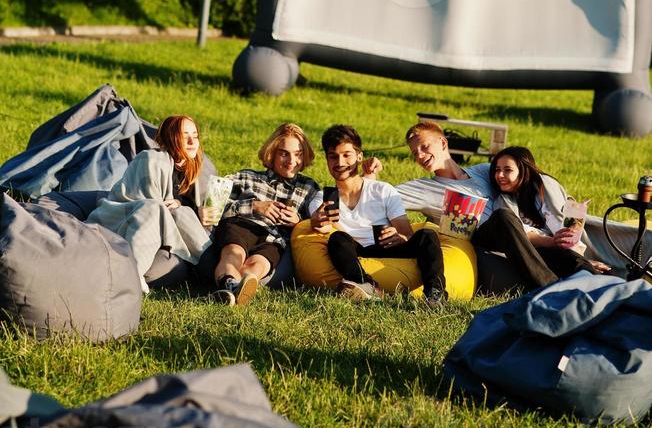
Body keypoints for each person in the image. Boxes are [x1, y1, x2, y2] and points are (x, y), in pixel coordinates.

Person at [399, 123, 607, 291]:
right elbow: (382, 195)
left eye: (424, 147)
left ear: (443, 142)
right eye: (414, 153)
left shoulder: (482, 171)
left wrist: (573, 223)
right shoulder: (423, 187)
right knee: (503, 217)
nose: (419, 156)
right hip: (485, 236)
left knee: (572, 260)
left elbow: (522, 174)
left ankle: (599, 285)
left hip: (519, 235)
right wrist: (370, 173)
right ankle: (549, 288)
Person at [309, 124, 448, 306]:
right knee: (337, 239)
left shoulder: (382, 190)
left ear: (359, 156)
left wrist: (400, 238)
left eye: (346, 155)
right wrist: (316, 221)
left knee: (427, 236)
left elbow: (406, 232)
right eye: (333, 157)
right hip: (354, 250)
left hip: (387, 246)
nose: (340, 163)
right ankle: (366, 285)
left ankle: (434, 294)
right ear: (327, 160)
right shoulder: (321, 199)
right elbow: (324, 228)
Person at [88, 115, 213, 292]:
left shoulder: (190, 169)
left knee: (182, 213)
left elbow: (181, 206)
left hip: (162, 230)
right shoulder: (151, 159)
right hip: (125, 216)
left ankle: (219, 274)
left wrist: (188, 207)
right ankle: (131, 277)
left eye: (195, 135)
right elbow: (148, 207)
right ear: (172, 138)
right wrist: (179, 208)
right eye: (185, 136)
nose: (192, 141)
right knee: (160, 210)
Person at [200, 123, 319, 306]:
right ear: (272, 153)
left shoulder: (309, 188)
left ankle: (243, 287)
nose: (291, 160)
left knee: (259, 264)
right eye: (284, 153)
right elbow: (211, 206)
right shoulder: (248, 177)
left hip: (275, 238)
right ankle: (229, 285)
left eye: (298, 154)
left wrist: (298, 221)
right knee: (234, 253)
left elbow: (316, 222)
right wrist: (254, 206)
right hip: (242, 225)